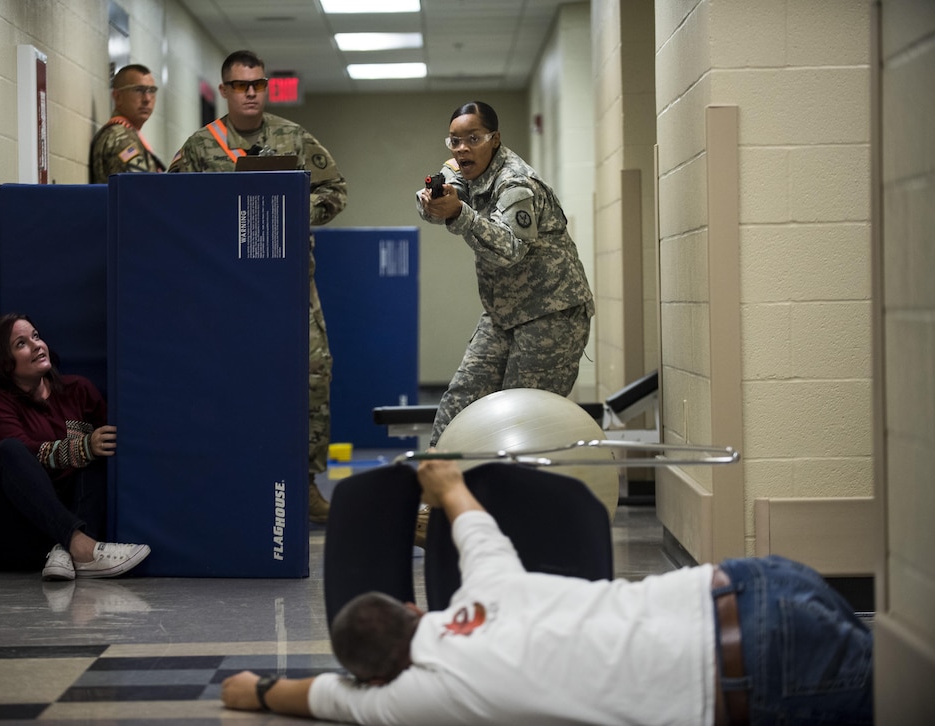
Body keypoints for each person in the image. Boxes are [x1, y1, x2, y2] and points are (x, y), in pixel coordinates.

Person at [220, 458, 874, 725]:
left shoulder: (427, 694)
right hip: (750, 580)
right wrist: (441, 479)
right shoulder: (490, 586)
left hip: (758, 666)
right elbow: (466, 512)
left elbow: (327, 698)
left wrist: (257, 691)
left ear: (381, 679)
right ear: (417, 609)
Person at [169, 49, 348, 524]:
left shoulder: (292, 137)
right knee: (228, 383)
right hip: (225, 293)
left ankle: (306, 484)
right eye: (241, 85)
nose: (251, 92)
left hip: (288, 286)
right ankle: (232, 482)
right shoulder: (200, 147)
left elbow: (335, 190)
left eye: (259, 85)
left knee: (314, 374)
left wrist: (292, 215)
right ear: (224, 91)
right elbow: (169, 208)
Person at [417, 101, 594, 448]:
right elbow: (447, 188)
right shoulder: (465, 166)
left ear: (494, 139)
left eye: (473, 138)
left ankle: (516, 498)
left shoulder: (516, 182)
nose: (463, 148)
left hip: (551, 314)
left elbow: (511, 250)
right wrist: (432, 203)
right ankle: (435, 491)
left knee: (524, 416)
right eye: (454, 140)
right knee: (460, 400)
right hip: (503, 314)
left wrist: (460, 214)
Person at [0, 313, 151, 581]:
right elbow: (23, 455)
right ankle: (80, 546)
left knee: (101, 454)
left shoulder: (78, 390)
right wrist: (81, 449)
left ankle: (66, 550)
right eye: (21, 344)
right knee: (10, 450)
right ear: (2, 362)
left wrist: (90, 450)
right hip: (14, 535)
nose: (36, 345)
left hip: (60, 535)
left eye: (36, 336)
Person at [89, 63, 166, 183]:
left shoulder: (128, 134)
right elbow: (140, 191)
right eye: (139, 90)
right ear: (118, 96)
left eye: (151, 90)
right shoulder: (121, 138)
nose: (147, 99)